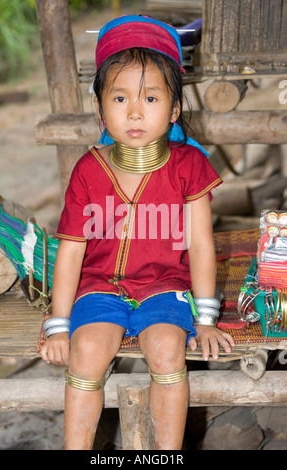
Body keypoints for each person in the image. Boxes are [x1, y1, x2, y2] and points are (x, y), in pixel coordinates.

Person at [40, 15, 235, 450]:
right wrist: (57, 326)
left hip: (166, 287)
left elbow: (202, 244)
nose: (134, 112)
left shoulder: (188, 167)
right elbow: (70, 251)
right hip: (99, 286)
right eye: (120, 97)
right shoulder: (89, 170)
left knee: (167, 347)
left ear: (175, 108)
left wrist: (205, 319)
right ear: (99, 108)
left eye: (150, 98)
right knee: (87, 349)